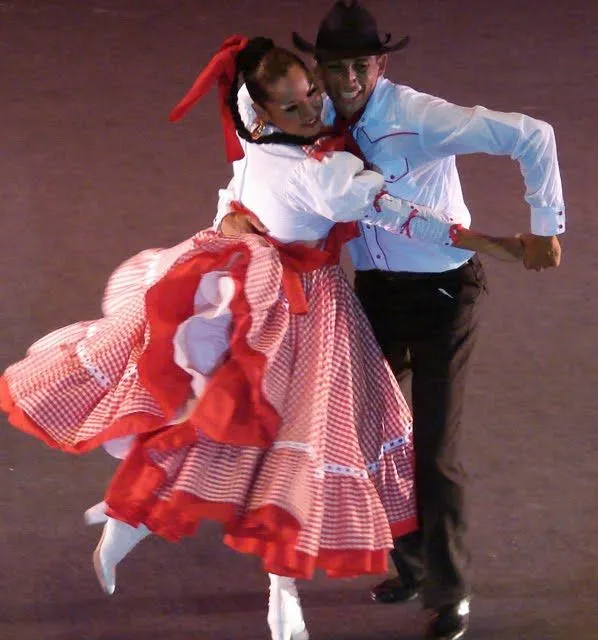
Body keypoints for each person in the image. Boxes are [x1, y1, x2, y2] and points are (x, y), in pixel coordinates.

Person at [1, 35, 519, 640]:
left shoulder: (268, 149)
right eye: (294, 107)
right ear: (262, 114)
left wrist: (234, 218)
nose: (312, 112)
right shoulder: (320, 170)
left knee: (266, 436)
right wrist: (500, 244)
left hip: (273, 300)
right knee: (288, 445)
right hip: (298, 313)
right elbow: (396, 212)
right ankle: (266, 584)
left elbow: (247, 193)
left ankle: (143, 528)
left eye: (311, 97)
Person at [216, 3, 566, 640]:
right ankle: (407, 565)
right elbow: (252, 166)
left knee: (434, 451)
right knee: (370, 437)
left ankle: (448, 591)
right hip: (371, 293)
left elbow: (531, 134)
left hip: (442, 296)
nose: (346, 80)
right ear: (317, 69)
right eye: (334, 67)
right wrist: (230, 215)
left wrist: (545, 227)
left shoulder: (418, 118)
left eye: (360, 65)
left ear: (381, 63)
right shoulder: (313, 118)